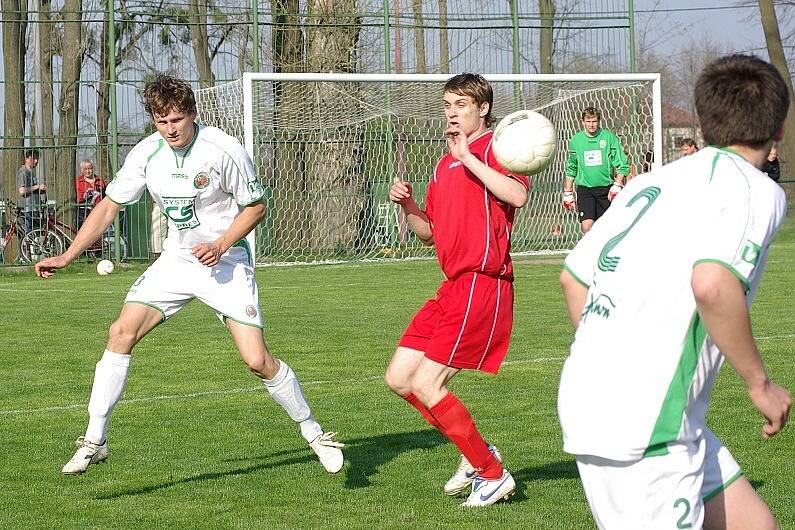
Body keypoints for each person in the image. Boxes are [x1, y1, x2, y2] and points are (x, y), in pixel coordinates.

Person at [35, 74, 344, 476]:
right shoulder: (147, 153)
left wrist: (220, 245)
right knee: (120, 332)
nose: (170, 130)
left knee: (256, 360)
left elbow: (255, 207)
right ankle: (95, 439)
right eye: (161, 122)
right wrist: (68, 255)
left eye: (177, 120)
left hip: (225, 264)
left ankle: (314, 431)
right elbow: (109, 206)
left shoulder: (222, 149)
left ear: (193, 113)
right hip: (177, 261)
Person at [558, 54, 791, 529]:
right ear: (778, 131)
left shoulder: (653, 180)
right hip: (645, 424)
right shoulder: (756, 189)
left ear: (703, 126)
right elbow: (712, 284)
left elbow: (574, 276)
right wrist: (759, 385)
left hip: (618, 403)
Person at [384, 73, 529, 508]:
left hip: (484, 283)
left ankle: (491, 473)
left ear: (482, 109)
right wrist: (409, 206)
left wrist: (468, 158)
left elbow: (517, 196)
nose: (451, 112)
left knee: (428, 383)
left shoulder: (495, 150)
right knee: (399, 379)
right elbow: (428, 232)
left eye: (461, 104)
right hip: (452, 286)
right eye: (447, 104)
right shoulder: (444, 162)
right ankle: (476, 456)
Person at [562, 107, 629, 233]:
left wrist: (617, 184)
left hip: (606, 190)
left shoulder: (608, 138)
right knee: (587, 227)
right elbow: (571, 167)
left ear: (599, 121)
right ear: (583, 122)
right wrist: (568, 192)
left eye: (594, 121)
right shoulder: (576, 140)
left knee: (608, 229)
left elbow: (623, 164)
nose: (591, 125)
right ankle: (589, 253)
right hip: (585, 190)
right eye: (588, 121)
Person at [16, 149, 45, 234]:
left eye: (37, 159)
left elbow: (31, 189)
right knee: (29, 234)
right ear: (27, 159)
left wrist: (40, 190)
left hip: (33, 208)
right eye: (33, 159)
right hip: (27, 209)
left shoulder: (31, 172)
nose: (36, 161)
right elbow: (22, 191)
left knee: (34, 234)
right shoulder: (24, 172)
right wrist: (37, 186)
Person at [75, 159, 108, 228]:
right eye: (85, 169)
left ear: (93, 169)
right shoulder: (78, 182)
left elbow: (105, 195)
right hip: (84, 212)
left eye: (90, 168)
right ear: (81, 170)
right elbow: (77, 197)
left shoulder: (100, 181)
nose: (88, 171)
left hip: (99, 211)